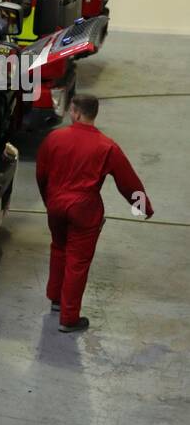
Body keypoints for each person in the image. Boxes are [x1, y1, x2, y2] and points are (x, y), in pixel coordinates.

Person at [36, 93, 152, 332]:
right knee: (77, 262)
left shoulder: (54, 138)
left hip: (56, 205)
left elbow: (41, 174)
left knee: (59, 248)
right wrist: (143, 208)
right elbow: (128, 182)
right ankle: (69, 319)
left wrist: (49, 200)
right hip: (83, 210)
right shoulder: (107, 146)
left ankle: (56, 300)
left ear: (77, 112)